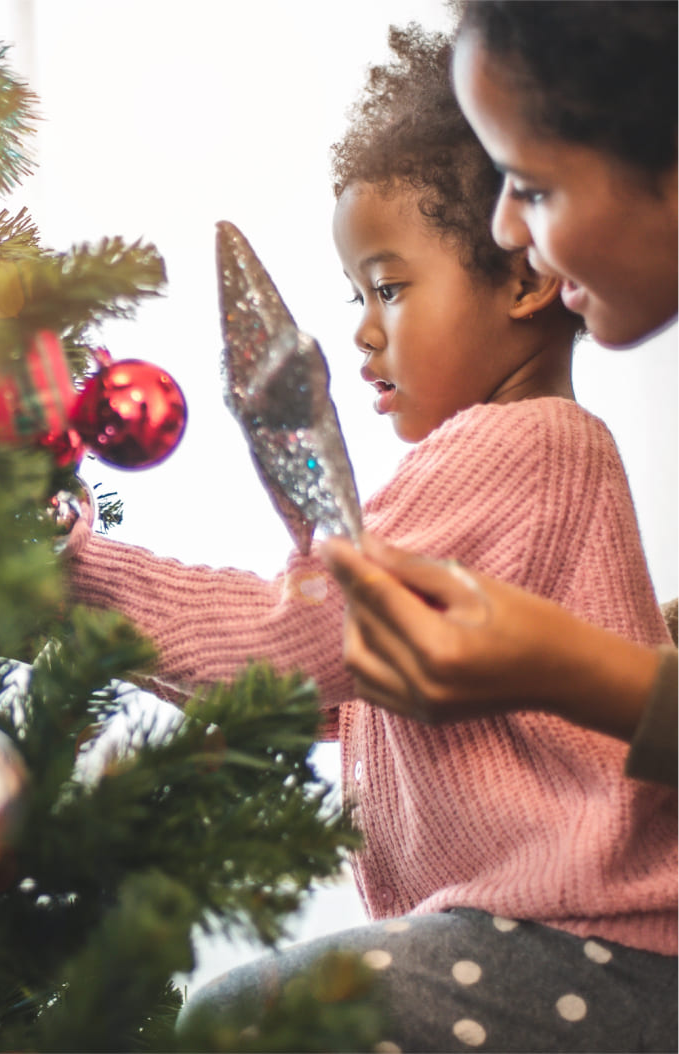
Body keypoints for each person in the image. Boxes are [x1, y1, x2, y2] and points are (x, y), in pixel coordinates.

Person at [62, 25, 677, 1052]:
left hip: (592, 947)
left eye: (387, 288)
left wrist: (73, 575)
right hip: (570, 949)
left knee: (244, 1021)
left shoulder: (512, 444)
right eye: (356, 295)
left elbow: (289, 640)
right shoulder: (524, 453)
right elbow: (370, 682)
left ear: (520, 284)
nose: (359, 329)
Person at [316, 0, 678, 789]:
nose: (507, 229)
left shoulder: (534, 438)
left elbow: (302, 624)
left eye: (533, 186)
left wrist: (572, 667)